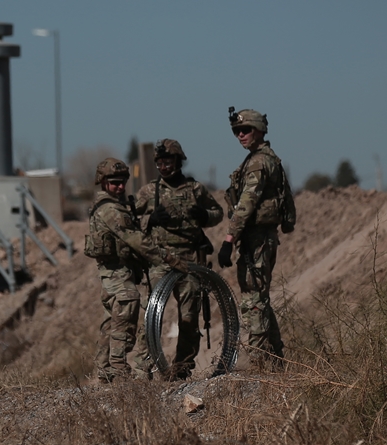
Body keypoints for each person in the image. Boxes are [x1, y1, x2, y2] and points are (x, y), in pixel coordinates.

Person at [85, 157, 188, 383]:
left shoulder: (116, 206)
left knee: (111, 321)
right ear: (103, 183)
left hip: (121, 270)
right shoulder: (110, 209)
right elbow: (136, 240)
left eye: (122, 182)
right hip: (116, 271)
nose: (119, 186)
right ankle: (119, 370)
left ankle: (104, 372)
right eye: (114, 182)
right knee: (127, 304)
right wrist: (168, 258)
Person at [131, 139, 224, 380]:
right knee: (152, 315)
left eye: (168, 161)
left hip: (190, 259)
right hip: (160, 259)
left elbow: (217, 213)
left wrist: (203, 215)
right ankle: (144, 370)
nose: (164, 166)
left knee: (189, 318)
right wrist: (150, 220)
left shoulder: (195, 190)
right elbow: (129, 223)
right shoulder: (149, 191)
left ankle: (181, 369)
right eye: (160, 162)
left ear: (178, 161)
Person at [217, 108, 288, 368]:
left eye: (245, 130)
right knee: (260, 298)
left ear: (259, 130)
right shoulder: (262, 159)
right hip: (258, 238)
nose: (240, 135)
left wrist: (228, 238)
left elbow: (247, 203)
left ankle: (258, 365)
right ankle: (277, 362)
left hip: (257, 239)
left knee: (254, 301)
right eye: (237, 131)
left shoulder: (258, 162)